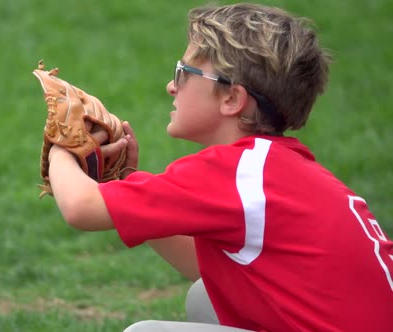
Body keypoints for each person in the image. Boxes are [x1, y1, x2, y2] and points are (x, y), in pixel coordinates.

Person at [46, 3, 393, 331]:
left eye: (182, 73)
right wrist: (125, 179)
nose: (171, 85)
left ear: (232, 99)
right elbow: (209, 268)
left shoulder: (236, 170)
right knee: (206, 295)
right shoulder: (272, 166)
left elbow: (81, 208)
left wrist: (61, 147)